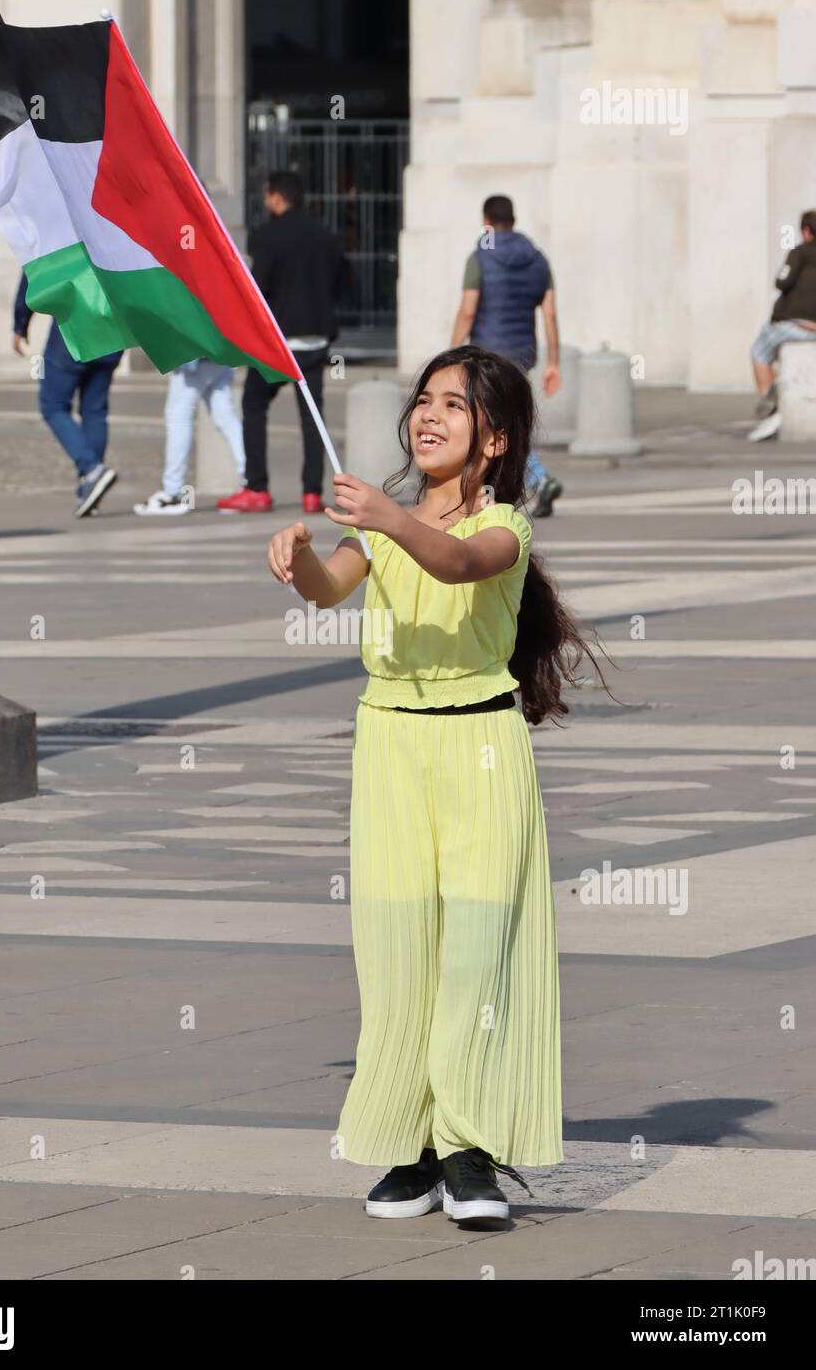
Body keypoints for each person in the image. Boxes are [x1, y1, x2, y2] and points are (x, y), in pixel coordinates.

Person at [268, 344, 607, 1222]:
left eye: (453, 407)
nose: (428, 416)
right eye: (423, 400)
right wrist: (298, 554)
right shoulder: (378, 531)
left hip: (480, 748)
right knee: (396, 952)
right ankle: (406, 1149)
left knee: (472, 954)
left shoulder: (505, 529)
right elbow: (327, 588)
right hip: (388, 745)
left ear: (493, 441)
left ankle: (467, 1152)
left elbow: (456, 565)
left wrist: (385, 518)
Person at [217, 170, 345, 515]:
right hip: (315, 338)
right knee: (311, 416)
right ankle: (312, 494)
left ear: (276, 196)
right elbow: (343, 279)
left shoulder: (267, 235)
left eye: (266, 194)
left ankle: (257, 487)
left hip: (278, 342)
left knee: (254, 406)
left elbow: (260, 289)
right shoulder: (325, 234)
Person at [450, 194, 564, 518]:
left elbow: (468, 310)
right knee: (498, 422)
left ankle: (537, 480)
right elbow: (551, 313)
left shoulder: (479, 259)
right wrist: (553, 361)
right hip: (522, 354)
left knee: (493, 424)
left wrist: (453, 351)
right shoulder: (538, 259)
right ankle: (497, 491)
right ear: (512, 220)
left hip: (487, 353)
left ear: (486, 221)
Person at [13, 274, 121, 517]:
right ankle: (90, 488)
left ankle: (92, 470)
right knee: (94, 411)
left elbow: (35, 271)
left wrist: (21, 323)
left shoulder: (62, 234)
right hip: (112, 328)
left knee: (52, 405)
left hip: (74, 327)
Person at [135, 357, 245, 515]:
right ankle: (251, 479)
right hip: (220, 352)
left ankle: (172, 492)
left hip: (195, 356)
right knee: (225, 416)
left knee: (178, 416)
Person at [748, 209, 816, 443]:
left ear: (806, 231)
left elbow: (782, 281)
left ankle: (771, 403)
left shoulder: (799, 252)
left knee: (759, 350)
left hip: (798, 324)